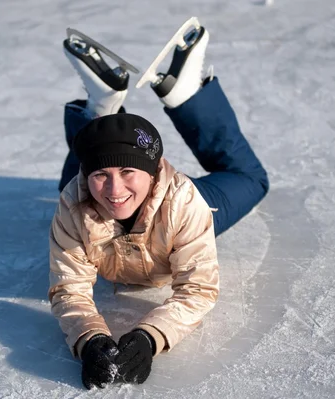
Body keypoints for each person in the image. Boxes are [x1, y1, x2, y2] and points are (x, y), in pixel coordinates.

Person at [49, 21, 269, 390]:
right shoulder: (73, 202)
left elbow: (196, 289)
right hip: (117, 200)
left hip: (186, 206)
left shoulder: (186, 204)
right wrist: (89, 339)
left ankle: (184, 94)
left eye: (127, 172)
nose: (114, 189)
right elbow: (69, 289)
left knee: (250, 178)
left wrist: (151, 336)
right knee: (69, 182)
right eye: (101, 175)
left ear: (152, 174)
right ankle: (102, 106)